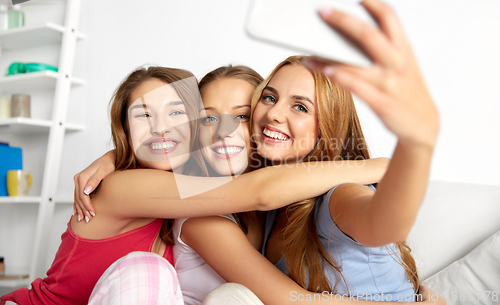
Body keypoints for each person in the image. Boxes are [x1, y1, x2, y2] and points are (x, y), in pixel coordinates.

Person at [0, 65, 388, 305]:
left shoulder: (264, 207)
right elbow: (260, 190)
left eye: (240, 117)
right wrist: (378, 165)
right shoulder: (139, 192)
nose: (161, 128)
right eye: (207, 119)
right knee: (148, 269)